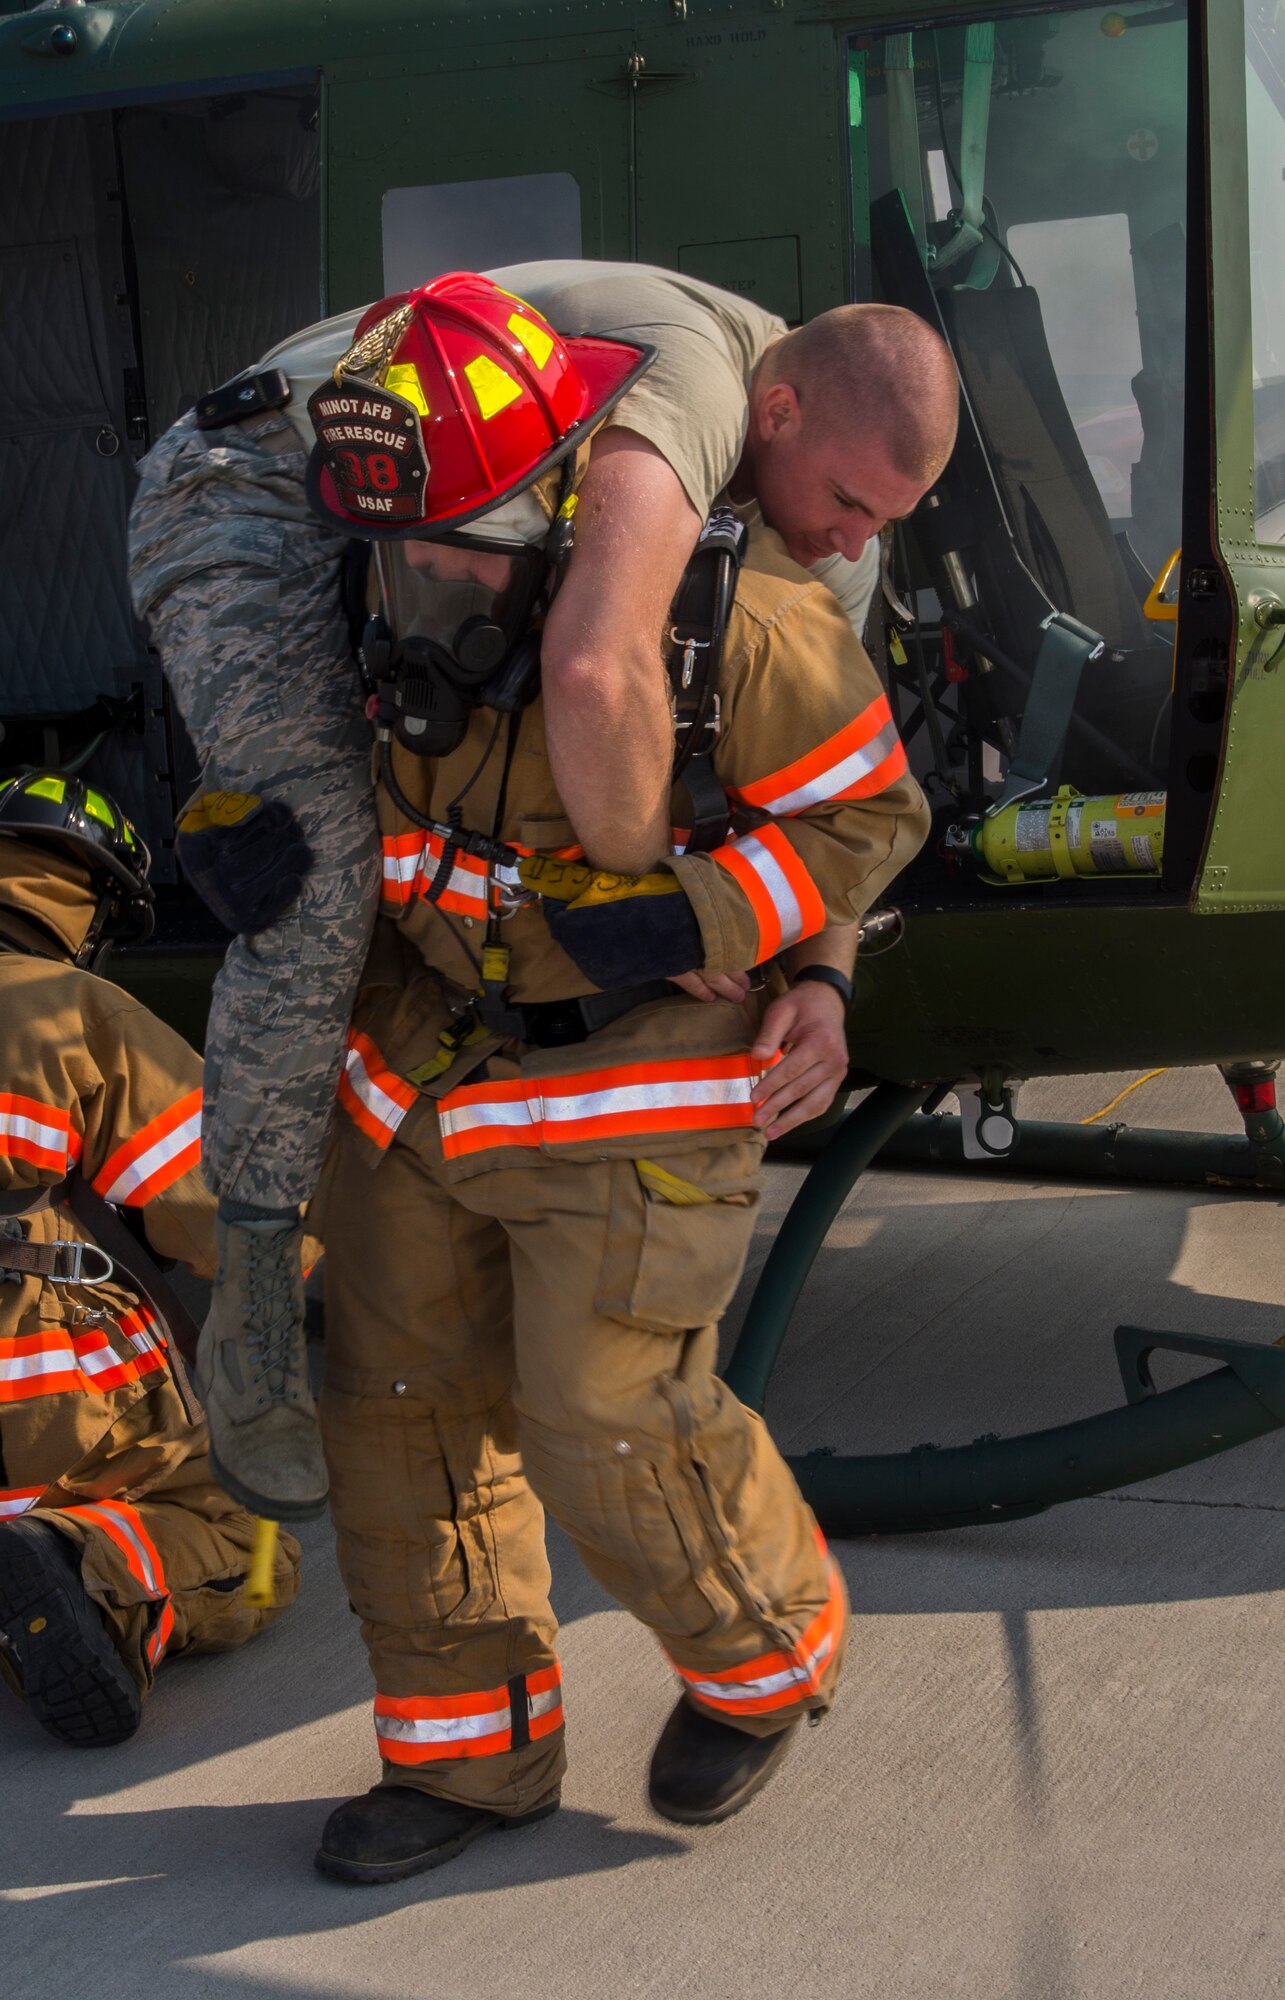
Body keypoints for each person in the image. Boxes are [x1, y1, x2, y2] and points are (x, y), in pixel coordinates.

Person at [278, 275, 952, 1881]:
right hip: (420, 1076)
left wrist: (701, 916)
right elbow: (338, 800)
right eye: (415, 551)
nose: (433, 575)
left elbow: (872, 823)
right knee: (396, 1414)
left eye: (463, 547)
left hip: (626, 1088)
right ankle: (467, 1763)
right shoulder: (386, 580)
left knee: (605, 1414)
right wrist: (262, 863)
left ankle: (764, 1660)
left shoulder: (747, 619)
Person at [126, 261, 958, 1524]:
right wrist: (634, 905)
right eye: (846, 502)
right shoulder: (693, 378)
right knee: (315, 870)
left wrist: (823, 975)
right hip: (261, 489)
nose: (854, 541)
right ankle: (244, 1313)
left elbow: (827, 784)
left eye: (884, 519)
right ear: (772, 411)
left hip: (421, 526)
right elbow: (588, 660)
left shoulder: (826, 521)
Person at [0, 772, 301, 1748]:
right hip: (30, 1379)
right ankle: (78, 1557)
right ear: (89, 908)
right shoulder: (74, 1007)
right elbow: (224, 1210)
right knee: (244, 1542)